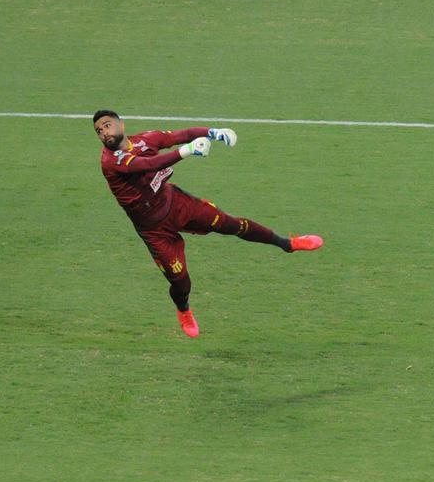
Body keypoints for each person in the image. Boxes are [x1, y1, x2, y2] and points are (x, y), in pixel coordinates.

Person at [94, 109, 322, 337]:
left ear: (121, 125)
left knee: (232, 225)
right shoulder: (110, 162)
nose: (104, 132)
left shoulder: (145, 139)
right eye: (99, 131)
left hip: (177, 204)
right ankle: (183, 310)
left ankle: (288, 243)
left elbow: (181, 134)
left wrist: (213, 132)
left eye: (107, 125)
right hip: (154, 230)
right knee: (181, 282)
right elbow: (148, 165)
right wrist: (187, 151)